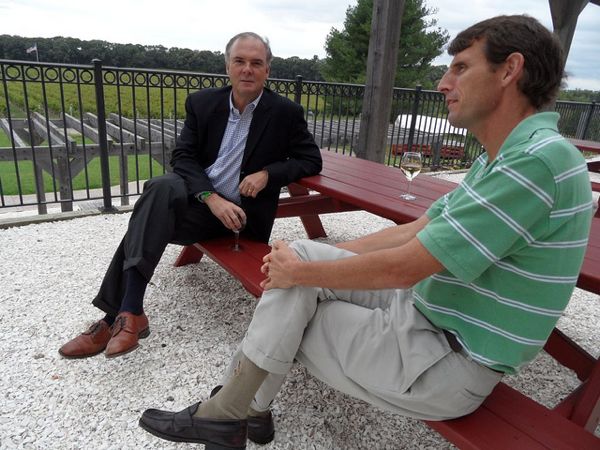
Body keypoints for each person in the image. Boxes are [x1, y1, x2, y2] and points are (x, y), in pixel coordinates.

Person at [138, 15, 594, 449]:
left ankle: (229, 413)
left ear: (509, 70)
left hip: (447, 362)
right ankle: (240, 410)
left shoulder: (533, 163)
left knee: (288, 309)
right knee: (301, 260)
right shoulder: (507, 154)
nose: (443, 83)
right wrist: (310, 262)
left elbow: (408, 266)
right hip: (425, 318)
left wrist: (302, 275)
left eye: (460, 67)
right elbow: (419, 227)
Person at [58, 32, 322, 360]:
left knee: (146, 216)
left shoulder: (285, 112)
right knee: (160, 188)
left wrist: (269, 174)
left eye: (256, 63)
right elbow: (183, 157)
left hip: (240, 219)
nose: (247, 70)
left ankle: (119, 315)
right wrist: (211, 197)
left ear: (268, 70)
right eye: (239, 61)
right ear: (227, 66)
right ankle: (129, 312)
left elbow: (311, 159)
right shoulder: (203, 103)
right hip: (202, 207)